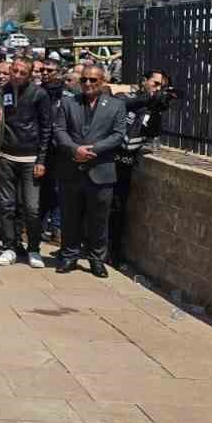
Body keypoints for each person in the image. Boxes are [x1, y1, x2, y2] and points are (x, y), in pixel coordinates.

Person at [52, 64, 128, 278]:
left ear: (102, 82)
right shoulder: (68, 103)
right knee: (70, 216)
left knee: (99, 219)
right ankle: (69, 255)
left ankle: (96, 259)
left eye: (93, 80)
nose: (87, 84)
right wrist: (75, 149)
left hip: (100, 169)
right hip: (72, 168)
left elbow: (118, 135)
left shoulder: (115, 106)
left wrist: (92, 150)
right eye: (84, 79)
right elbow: (59, 129)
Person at [0, 57, 52, 270]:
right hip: (6, 156)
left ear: (30, 75)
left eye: (22, 73)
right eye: (14, 71)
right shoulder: (1, 91)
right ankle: (9, 246)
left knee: (31, 207)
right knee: (6, 205)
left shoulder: (39, 94)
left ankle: (34, 248)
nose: (17, 76)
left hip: (30, 159)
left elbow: (46, 128)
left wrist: (41, 159)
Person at [110, 70, 171, 265]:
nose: (157, 88)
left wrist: (157, 109)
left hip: (126, 166)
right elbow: (120, 105)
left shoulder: (152, 109)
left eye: (161, 86)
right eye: (155, 83)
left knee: (118, 210)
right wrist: (148, 99)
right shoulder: (125, 95)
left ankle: (113, 254)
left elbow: (151, 133)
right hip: (107, 161)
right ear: (144, 81)